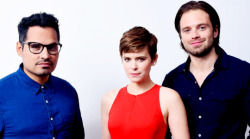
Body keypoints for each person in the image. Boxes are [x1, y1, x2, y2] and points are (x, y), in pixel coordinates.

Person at [162, 1, 250, 139]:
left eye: (202, 27)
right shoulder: (172, 80)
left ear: (215, 31)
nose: (194, 35)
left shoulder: (243, 72)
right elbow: (164, 133)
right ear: (181, 36)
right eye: (187, 30)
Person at [0, 12, 85, 138]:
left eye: (52, 47)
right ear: (19, 49)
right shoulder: (2, 93)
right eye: (35, 46)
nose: (45, 55)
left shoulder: (69, 91)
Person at [101, 26, 190, 139]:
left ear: (154, 59)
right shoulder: (108, 99)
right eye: (127, 59)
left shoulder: (169, 98)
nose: (133, 67)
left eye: (140, 59)